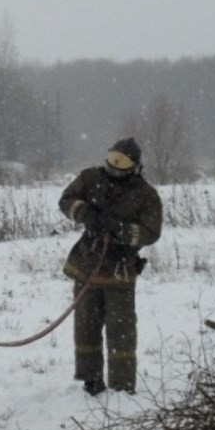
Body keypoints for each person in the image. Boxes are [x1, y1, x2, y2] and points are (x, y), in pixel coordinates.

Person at [59, 138, 162, 395]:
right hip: (87, 267)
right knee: (86, 326)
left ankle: (122, 386)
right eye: (112, 164)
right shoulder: (90, 178)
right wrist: (86, 214)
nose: (115, 170)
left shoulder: (146, 195)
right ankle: (90, 378)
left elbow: (151, 232)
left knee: (121, 331)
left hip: (119, 272)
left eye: (122, 166)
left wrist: (120, 230)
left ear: (135, 167)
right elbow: (66, 200)